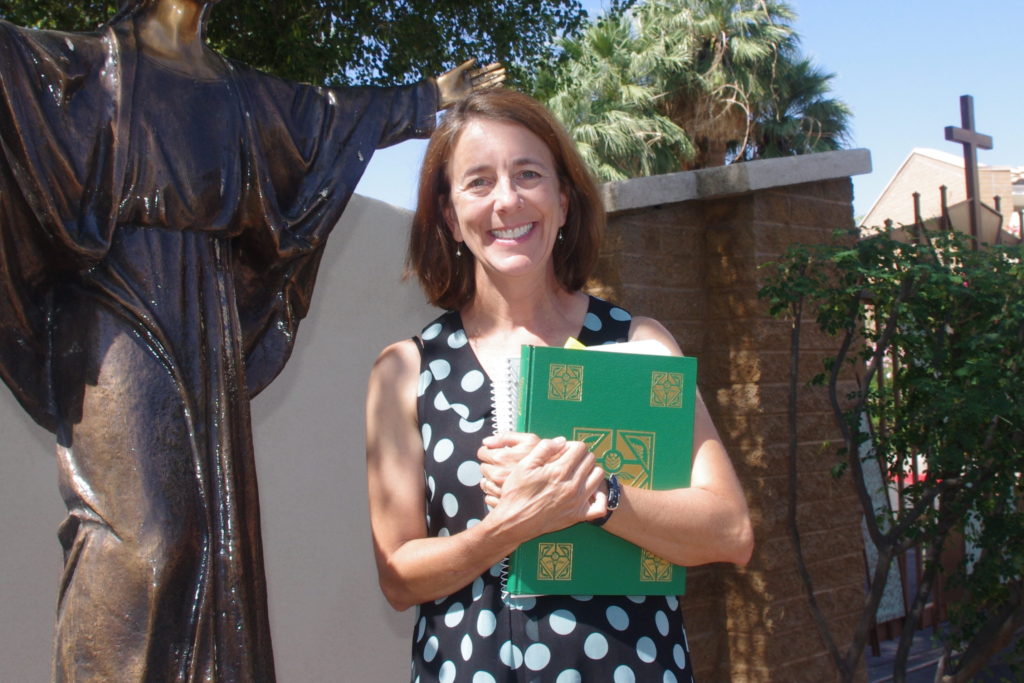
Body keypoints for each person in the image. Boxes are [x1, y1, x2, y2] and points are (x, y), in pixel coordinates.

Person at [0, 1, 502, 680]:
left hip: (205, 313)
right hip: (114, 303)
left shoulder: (234, 89)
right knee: (144, 533)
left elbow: (320, 118)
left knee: (212, 534)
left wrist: (423, 99)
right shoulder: (87, 67)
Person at [365, 88, 754, 681]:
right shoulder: (404, 371)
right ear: (449, 216)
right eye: (478, 182)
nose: (507, 200)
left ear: (564, 201)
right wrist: (510, 527)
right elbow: (398, 575)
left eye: (528, 174)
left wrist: (593, 495)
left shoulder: (638, 345)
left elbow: (730, 531)